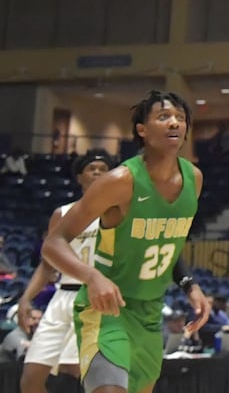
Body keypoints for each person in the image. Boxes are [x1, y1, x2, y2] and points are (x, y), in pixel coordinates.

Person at [41, 91, 211, 393]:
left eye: (180, 118)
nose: (174, 123)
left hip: (149, 312)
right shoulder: (119, 181)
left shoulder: (194, 179)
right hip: (106, 310)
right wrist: (92, 277)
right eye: (164, 117)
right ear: (142, 130)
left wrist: (189, 284)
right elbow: (53, 243)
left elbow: (168, 244)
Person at [19, 149, 115, 393]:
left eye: (103, 170)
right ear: (79, 177)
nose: (97, 173)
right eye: (91, 169)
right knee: (30, 380)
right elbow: (47, 264)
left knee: (72, 375)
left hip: (92, 298)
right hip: (61, 296)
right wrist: (26, 298)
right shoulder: (62, 214)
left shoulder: (117, 213)